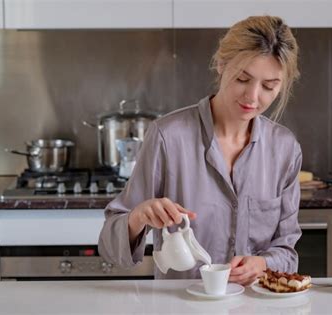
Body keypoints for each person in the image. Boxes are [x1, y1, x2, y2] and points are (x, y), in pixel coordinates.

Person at [99, 15, 302, 286]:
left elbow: (288, 253)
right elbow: (110, 249)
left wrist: (263, 263)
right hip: (180, 305)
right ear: (221, 64)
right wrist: (138, 217)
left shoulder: (285, 149)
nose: (253, 97)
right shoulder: (168, 137)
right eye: (243, 78)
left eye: (269, 86)